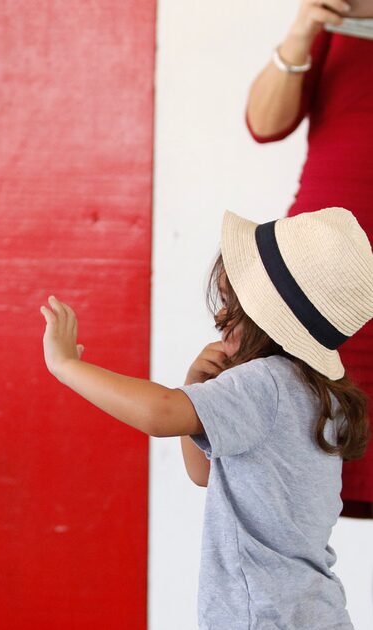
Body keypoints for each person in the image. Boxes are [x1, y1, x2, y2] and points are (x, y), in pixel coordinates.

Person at [41, 207, 373, 628]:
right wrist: (196, 387)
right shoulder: (324, 395)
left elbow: (160, 414)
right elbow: (204, 473)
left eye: (230, 304)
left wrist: (68, 366)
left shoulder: (264, 384)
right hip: (312, 612)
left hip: (261, 617)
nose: (218, 318)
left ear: (264, 319)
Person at [245, 0, 373, 517]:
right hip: (322, 275)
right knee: (300, 469)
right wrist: (303, 30)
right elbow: (264, 124)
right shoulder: (335, 21)